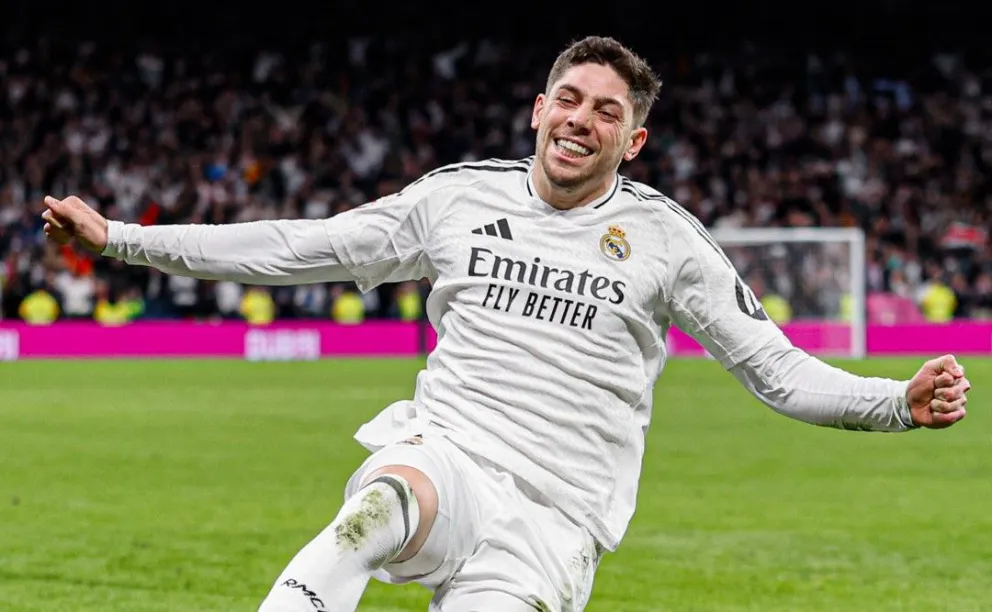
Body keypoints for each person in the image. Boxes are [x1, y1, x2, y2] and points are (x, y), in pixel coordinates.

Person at [41, 36, 971, 612]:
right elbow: (295, 247)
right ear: (538, 108)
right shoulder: (453, 201)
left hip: (558, 518)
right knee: (371, 515)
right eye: (569, 99)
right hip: (451, 452)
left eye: (608, 113)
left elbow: (775, 368)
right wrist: (120, 238)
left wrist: (897, 402)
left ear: (632, 141)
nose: (581, 120)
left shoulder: (669, 242)